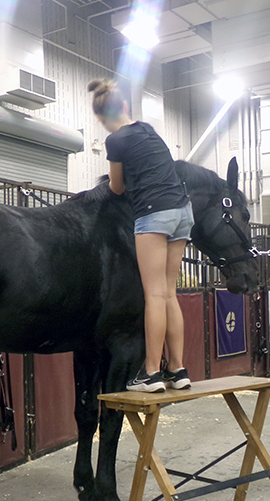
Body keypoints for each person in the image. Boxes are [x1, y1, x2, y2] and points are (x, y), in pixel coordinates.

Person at [88, 78, 193, 393]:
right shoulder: (148, 130)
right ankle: (177, 369)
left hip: (154, 213)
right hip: (183, 211)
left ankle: (149, 373)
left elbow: (117, 187)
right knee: (170, 293)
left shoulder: (116, 141)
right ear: (125, 106)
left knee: (154, 295)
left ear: (101, 118)